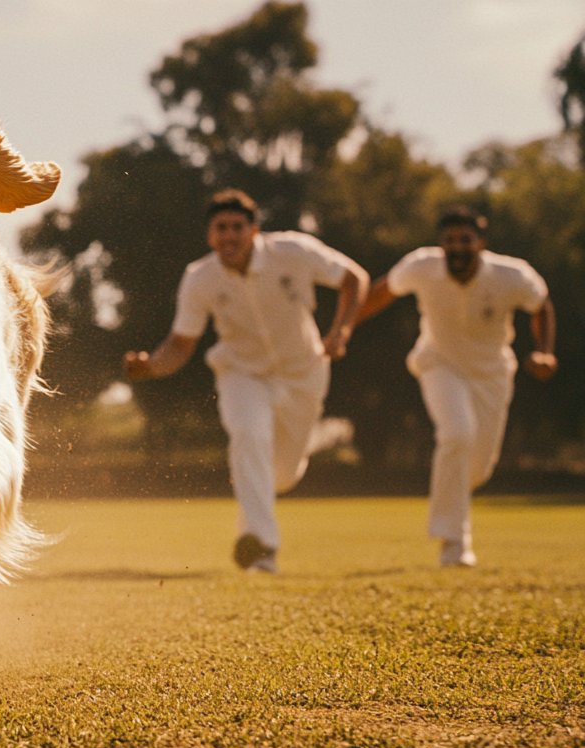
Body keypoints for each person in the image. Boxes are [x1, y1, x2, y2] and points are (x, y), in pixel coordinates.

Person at [123, 189, 368, 573]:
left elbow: (355, 278)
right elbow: (180, 343)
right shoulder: (199, 278)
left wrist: (341, 332)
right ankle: (262, 548)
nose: (229, 236)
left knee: (283, 476)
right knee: (248, 434)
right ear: (210, 236)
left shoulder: (294, 252)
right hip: (242, 373)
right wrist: (151, 366)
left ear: (254, 231)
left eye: (237, 227)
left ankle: (272, 490)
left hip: (305, 372)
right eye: (220, 228)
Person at [355, 206, 555, 567]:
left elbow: (541, 305)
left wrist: (544, 352)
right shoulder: (421, 266)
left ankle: (455, 507)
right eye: (449, 240)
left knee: (477, 470)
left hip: (492, 373)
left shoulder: (512, 275)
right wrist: (343, 327)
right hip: (439, 363)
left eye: (465, 240)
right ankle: (454, 542)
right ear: (441, 244)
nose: (457, 247)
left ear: (481, 243)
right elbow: (382, 292)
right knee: (457, 434)